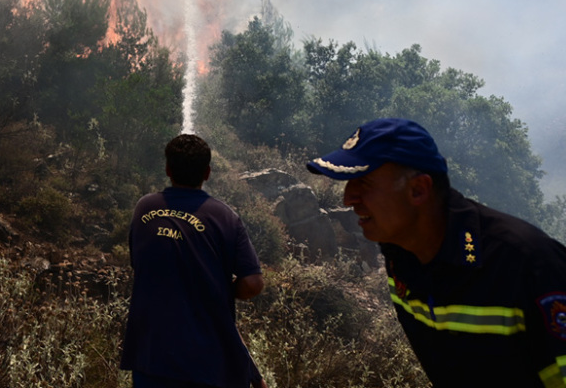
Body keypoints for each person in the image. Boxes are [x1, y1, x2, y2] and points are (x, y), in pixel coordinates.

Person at [307, 117, 566, 387]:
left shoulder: (527, 264)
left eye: (364, 183)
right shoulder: (401, 259)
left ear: (418, 190)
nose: (348, 199)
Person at [120, 134, 266, 388]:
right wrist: (222, 290)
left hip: (151, 357)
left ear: (167, 169)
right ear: (207, 172)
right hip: (207, 365)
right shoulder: (225, 217)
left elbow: (141, 264)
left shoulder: (144, 208)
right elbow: (253, 284)